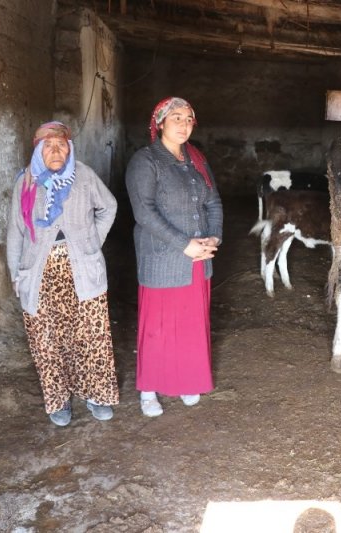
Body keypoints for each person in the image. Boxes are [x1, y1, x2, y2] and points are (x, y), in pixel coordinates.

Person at [6, 121, 119, 426]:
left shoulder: (83, 175)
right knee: (47, 338)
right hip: (39, 272)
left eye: (61, 144)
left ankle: (96, 395)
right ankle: (58, 401)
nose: (55, 150)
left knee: (91, 335)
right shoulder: (26, 182)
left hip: (83, 268)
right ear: (38, 150)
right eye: (48, 145)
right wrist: (16, 274)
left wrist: (92, 240)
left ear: (70, 148)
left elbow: (108, 207)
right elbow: (16, 231)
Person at [125, 97, 223, 417]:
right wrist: (185, 244)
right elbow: (145, 213)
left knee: (192, 323)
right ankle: (149, 389)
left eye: (188, 119)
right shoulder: (146, 160)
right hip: (163, 258)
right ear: (160, 123)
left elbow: (213, 203)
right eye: (176, 118)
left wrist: (213, 237)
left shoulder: (196, 159)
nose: (183, 124)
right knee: (158, 326)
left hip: (198, 259)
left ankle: (186, 379)